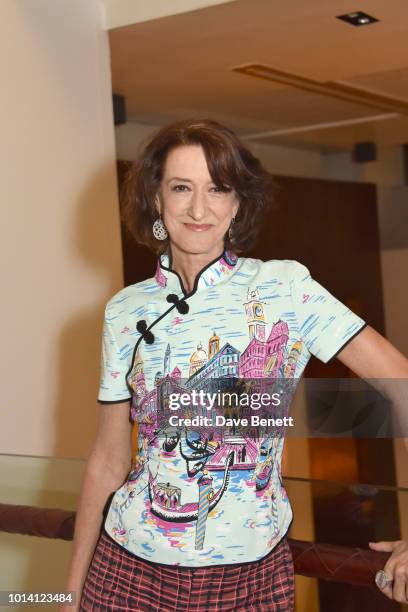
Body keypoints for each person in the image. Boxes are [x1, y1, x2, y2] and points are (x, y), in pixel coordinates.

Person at [63, 119, 408, 611]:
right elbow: (108, 459)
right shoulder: (125, 310)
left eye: (218, 189)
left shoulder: (285, 288)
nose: (199, 208)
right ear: (156, 200)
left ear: (238, 203)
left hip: (250, 581)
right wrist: (69, 593)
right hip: (126, 572)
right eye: (181, 188)